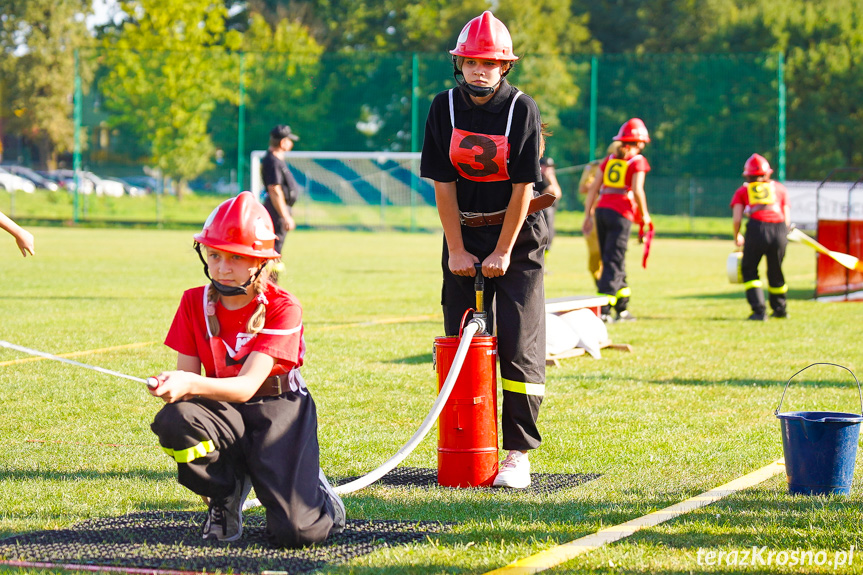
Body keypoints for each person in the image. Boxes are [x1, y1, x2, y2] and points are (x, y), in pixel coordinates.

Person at [148, 191, 345, 547]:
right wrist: (174, 385)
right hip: (224, 407)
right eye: (215, 255)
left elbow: (247, 386)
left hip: (279, 408)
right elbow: (191, 384)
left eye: (236, 257)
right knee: (175, 418)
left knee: (296, 533)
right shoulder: (194, 301)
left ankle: (316, 495)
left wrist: (188, 381)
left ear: (261, 262)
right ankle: (225, 495)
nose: (222, 267)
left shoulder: (284, 306)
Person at [420, 11, 548, 489]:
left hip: (518, 235)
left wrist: (503, 251)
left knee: (518, 342)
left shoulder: (522, 110)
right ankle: (467, 437)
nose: (480, 69)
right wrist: (456, 248)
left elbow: (522, 189)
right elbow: (444, 183)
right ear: (460, 63)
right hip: (464, 234)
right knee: (462, 342)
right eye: (472, 60)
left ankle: (517, 454)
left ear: (505, 67)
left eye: (490, 62)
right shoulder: (443, 108)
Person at [581, 119, 652, 322]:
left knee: (613, 258)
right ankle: (604, 310)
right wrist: (645, 215)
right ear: (638, 142)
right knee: (613, 259)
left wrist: (587, 215)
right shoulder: (638, 161)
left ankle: (622, 308)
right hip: (621, 213)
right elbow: (637, 190)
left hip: (602, 210)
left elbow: (594, 188)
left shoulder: (610, 159)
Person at [730, 153, 790, 320]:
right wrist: (784, 233)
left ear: (748, 175)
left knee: (749, 270)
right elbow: (786, 216)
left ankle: (759, 311)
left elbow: (737, 218)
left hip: (757, 229)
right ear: (768, 173)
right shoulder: (780, 189)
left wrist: (737, 235)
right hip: (779, 230)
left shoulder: (743, 191)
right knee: (775, 270)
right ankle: (780, 309)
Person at [577, 142, 622, 286]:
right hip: (596, 213)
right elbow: (584, 187)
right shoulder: (596, 166)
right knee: (596, 253)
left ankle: (611, 284)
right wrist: (601, 182)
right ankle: (601, 283)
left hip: (616, 213)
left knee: (613, 253)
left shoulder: (627, 165)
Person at [261, 125, 301, 256]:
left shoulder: (276, 160)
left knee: (276, 247)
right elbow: (274, 189)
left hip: (278, 210)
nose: (291, 143)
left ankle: (271, 276)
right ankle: (269, 277)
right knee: (273, 249)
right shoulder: (273, 161)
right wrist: (285, 216)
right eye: (289, 140)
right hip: (276, 211)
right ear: (283, 142)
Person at [536, 156, 562, 263]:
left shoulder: (548, 179)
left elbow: (558, 193)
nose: (550, 170)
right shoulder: (540, 179)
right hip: (541, 215)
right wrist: (551, 179)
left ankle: (544, 263)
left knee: (549, 238)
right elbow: (555, 193)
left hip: (549, 215)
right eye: (547, 167)